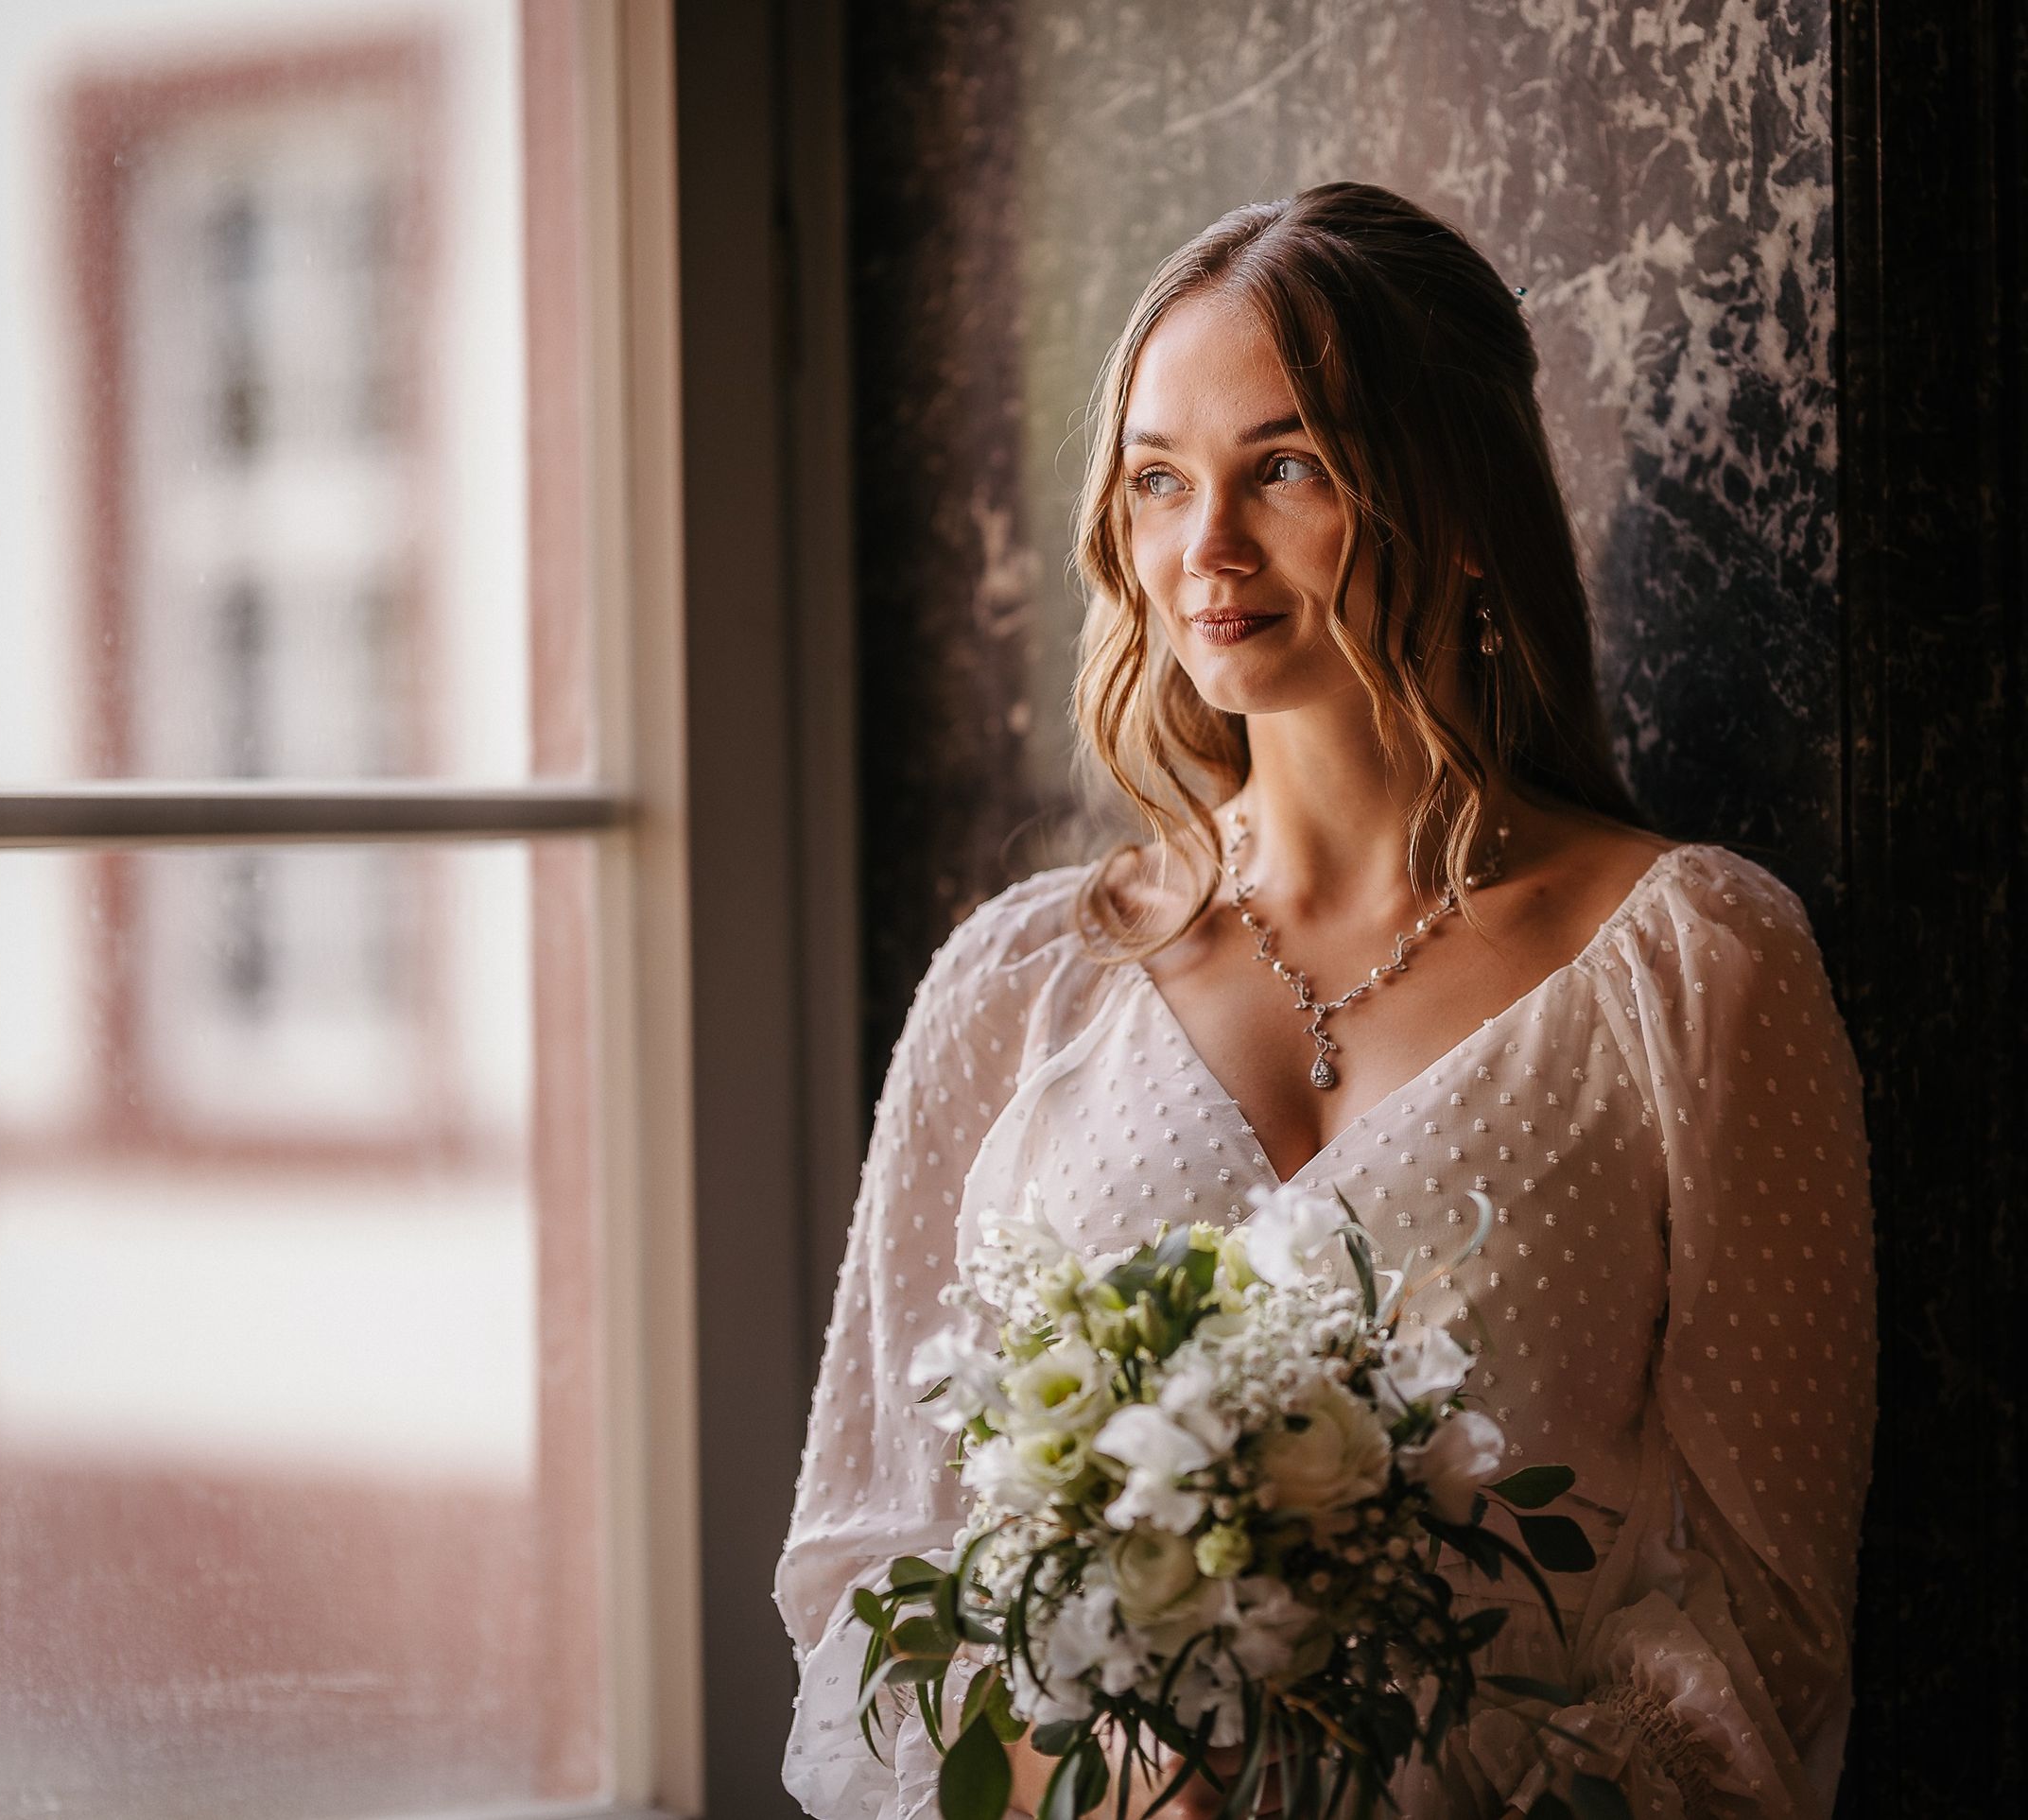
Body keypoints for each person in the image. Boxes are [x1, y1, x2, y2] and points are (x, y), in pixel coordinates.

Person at [773, 181, 1878, 1819]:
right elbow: (877, 1555)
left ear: (1452, 496)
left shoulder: (1697, 961)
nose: (1202, 547)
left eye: (1282, 468)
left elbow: (1772, 1613)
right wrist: (1091, 1783)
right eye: (1159, 480)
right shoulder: (1020, 988)